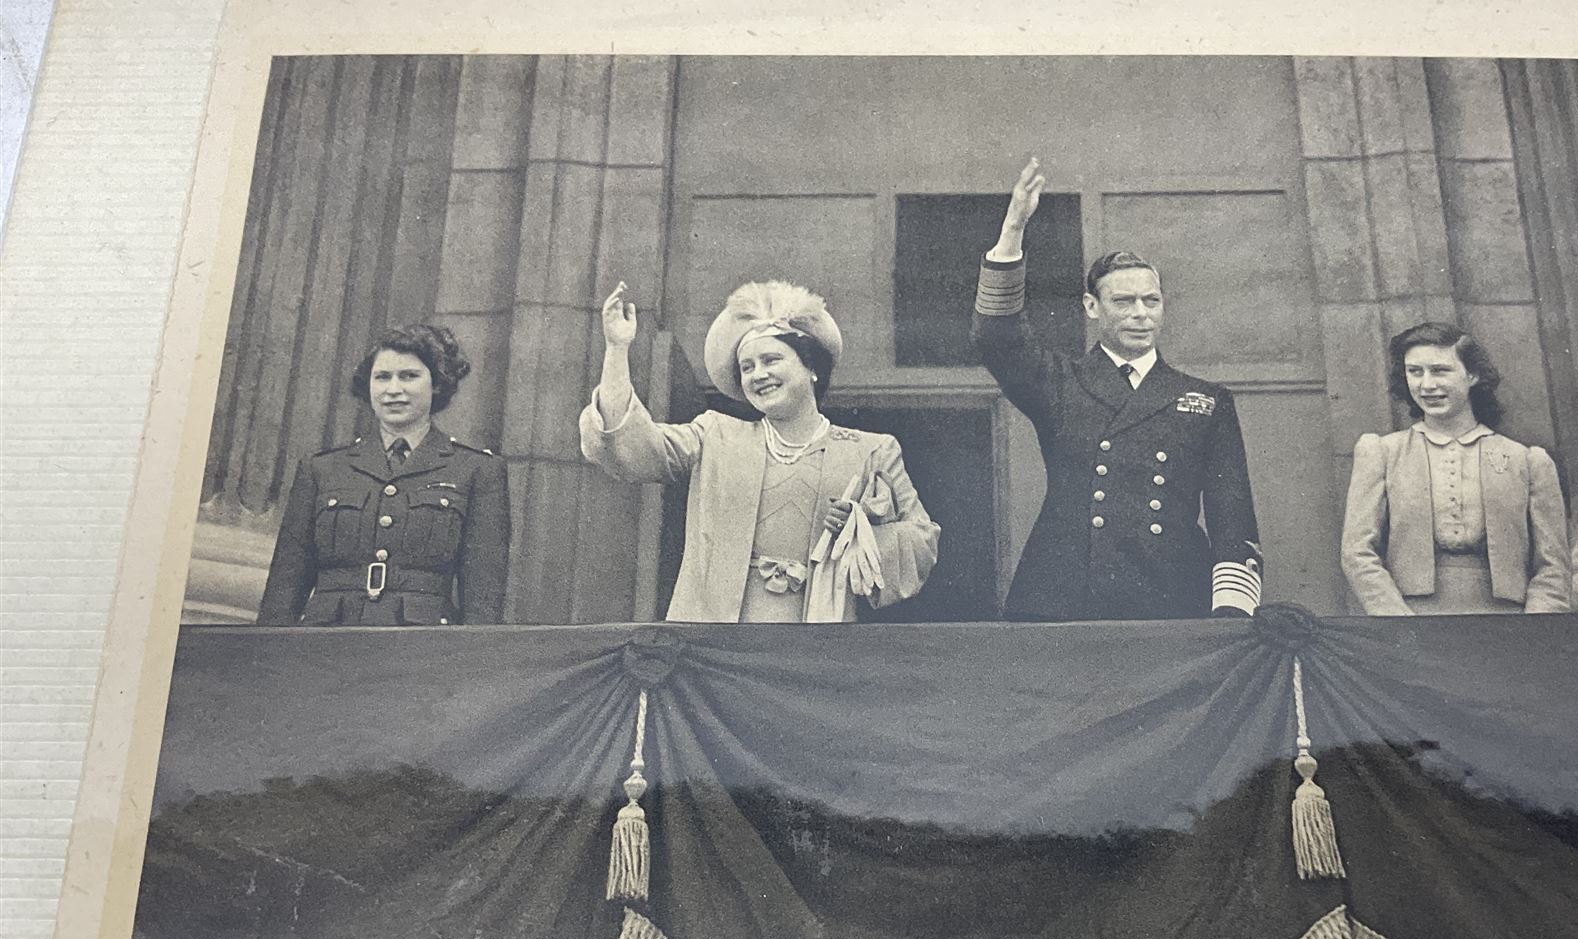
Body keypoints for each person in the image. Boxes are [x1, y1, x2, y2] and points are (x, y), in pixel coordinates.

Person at [972, 157, 1262, 621]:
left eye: (1151, 301)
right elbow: (996, 339)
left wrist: (1231, 610)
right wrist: (1013, 232)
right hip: (1067, 595)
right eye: (1123, 301)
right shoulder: (1060, 383)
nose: (1140, 313)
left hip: (1173, 594)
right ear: (1092, 306)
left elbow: (1233, 516)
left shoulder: (1206, 400)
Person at [579, 279, 939, 623]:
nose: (757, 375)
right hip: (717, 643)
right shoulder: (715, 435)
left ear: (811, 367)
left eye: (770, 360)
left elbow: (921, 540)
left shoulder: (871, 450)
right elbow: (635, 448)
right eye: (747, 367)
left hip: (819, 643)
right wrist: (617, 349)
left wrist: (860, 534)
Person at [257, 324, 511, 626]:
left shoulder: (477, 471)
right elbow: (285, 586)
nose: (393, 389)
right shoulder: (322, 469)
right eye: (382, 377)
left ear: (437, 384)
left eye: (409, 376)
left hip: (422, 646)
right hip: (325, 643)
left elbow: (483, 595)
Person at [1340, 322, 1573, 615]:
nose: (1426, 385)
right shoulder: (1382, 453)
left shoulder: (1526, 461)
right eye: (1415, 372)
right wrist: (1400, 624)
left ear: (1472, 374)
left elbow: (1553, 565)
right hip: (1412, 622)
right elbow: (1357, 552)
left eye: (1440, 371)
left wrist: (1533, 627)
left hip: (1508, 625)